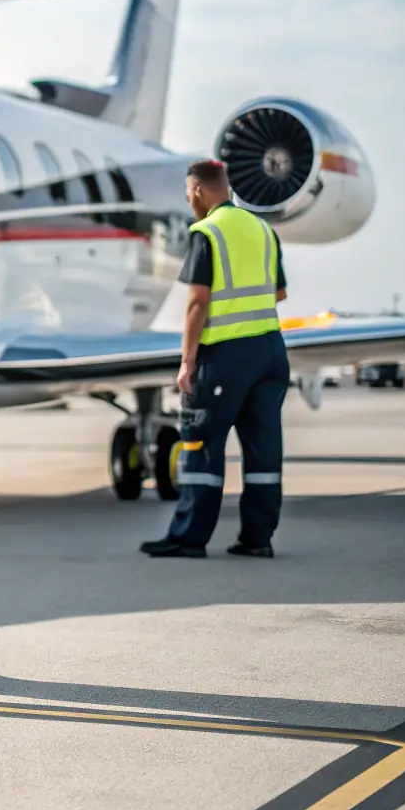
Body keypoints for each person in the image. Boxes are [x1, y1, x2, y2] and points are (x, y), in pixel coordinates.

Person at [141, 159, 290, 559]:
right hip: (271, 352)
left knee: (202, 445)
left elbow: (197, 304)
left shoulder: (205, 232)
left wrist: (187, 361)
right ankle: (258, 539)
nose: (189, 199)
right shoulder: (263, 229)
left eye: (189, 192)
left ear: (200, 190)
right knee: (263, 451)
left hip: (226, 355)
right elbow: (278, 293)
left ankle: (189, 538)